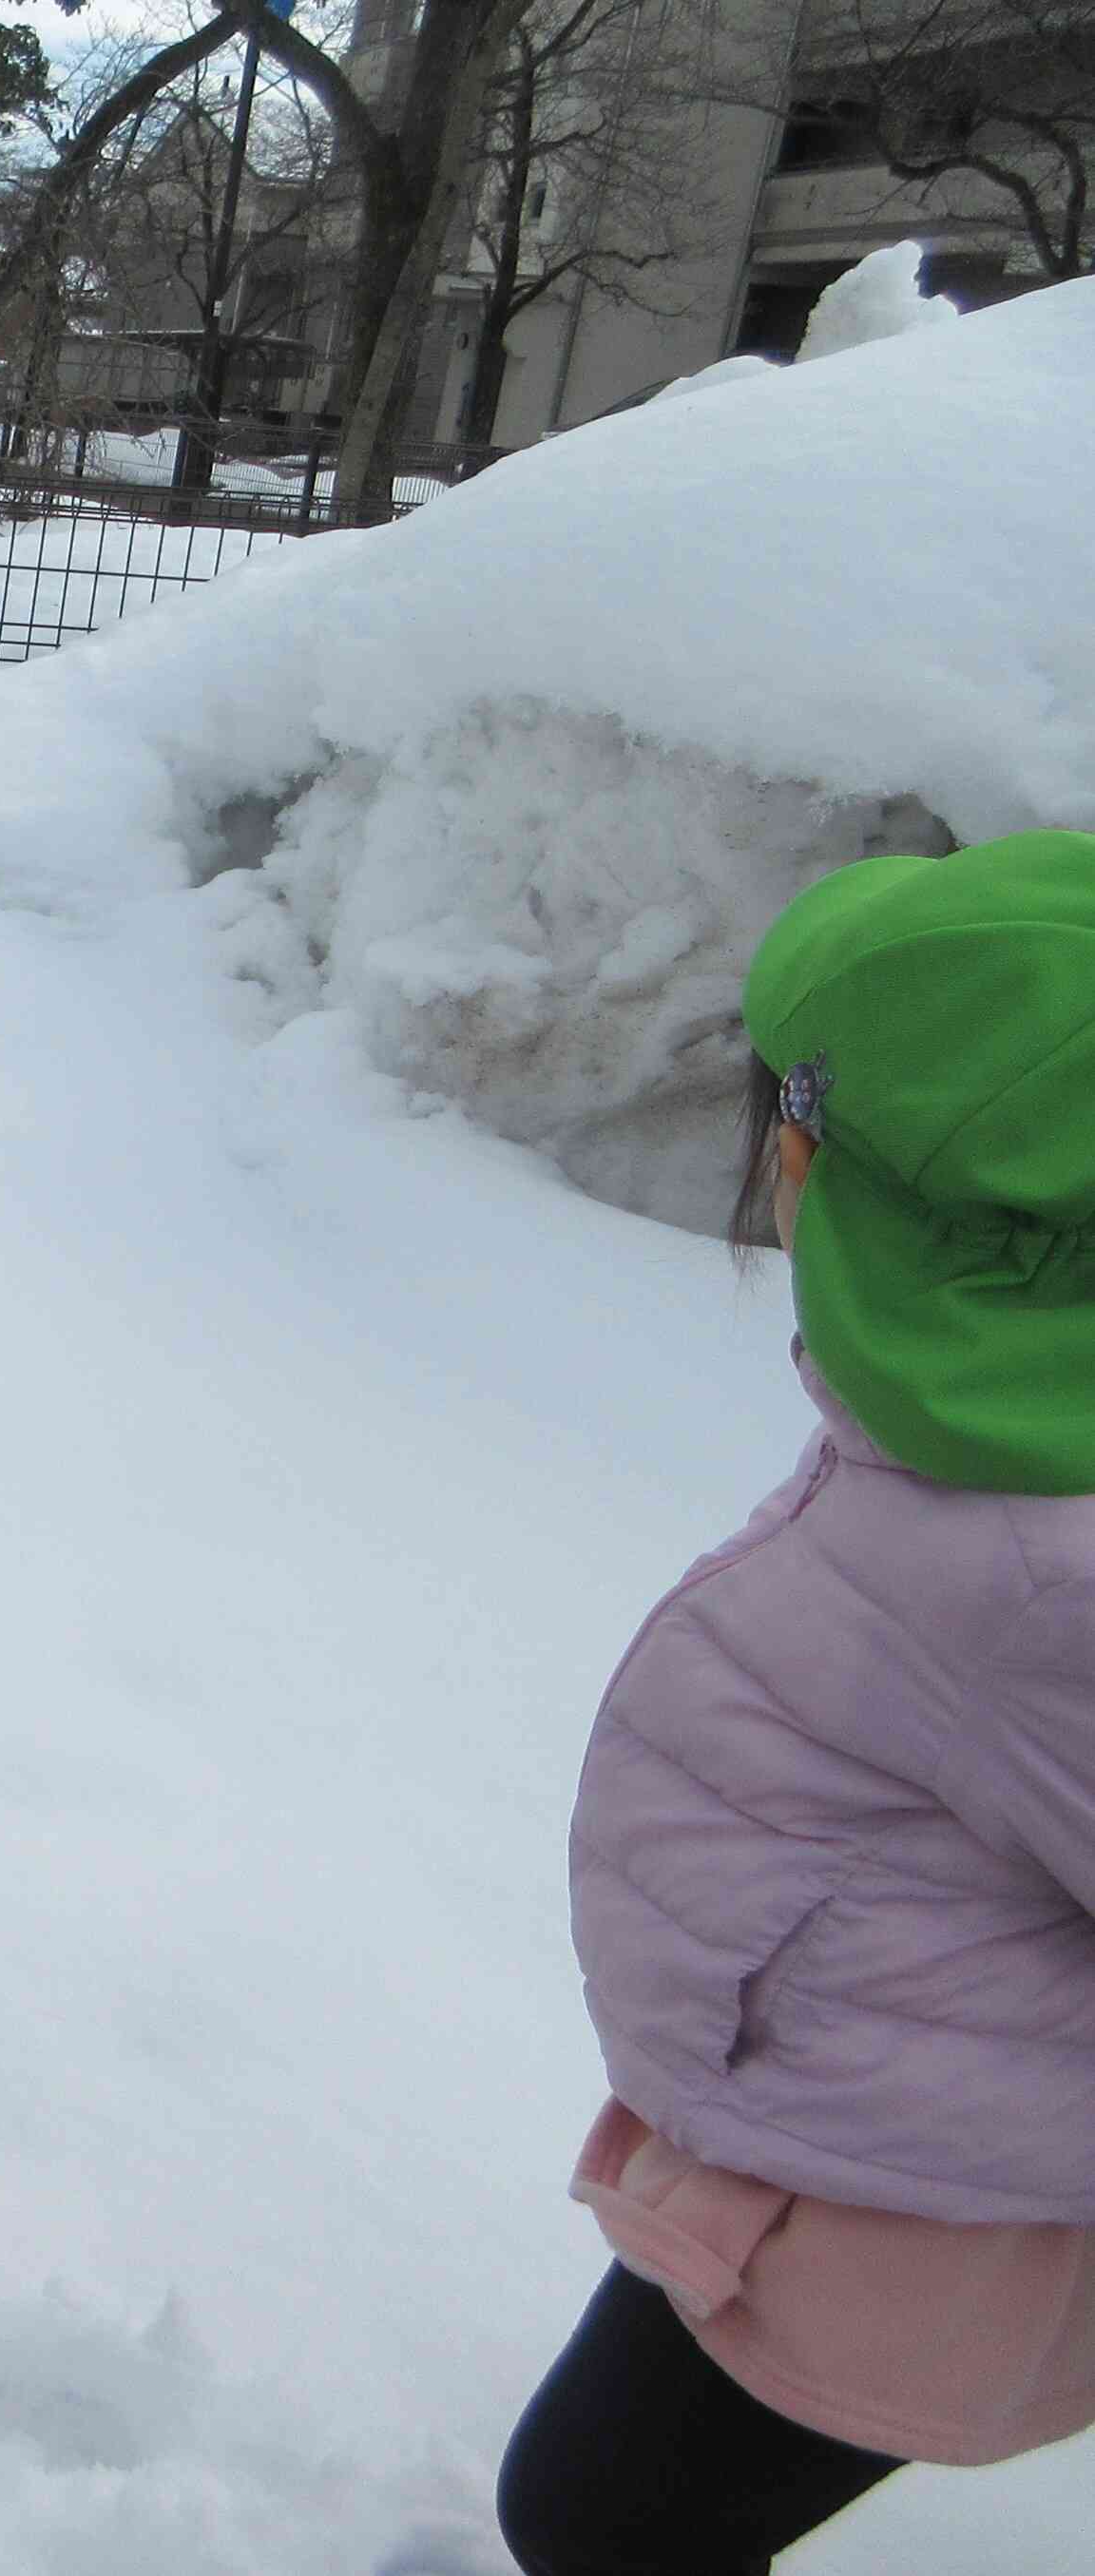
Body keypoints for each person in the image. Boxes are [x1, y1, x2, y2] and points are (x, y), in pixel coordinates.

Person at [499, 828, 1095, 2572]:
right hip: (860, 2112)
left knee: (602, 2521)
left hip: (915, 2197)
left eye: (802, 1132)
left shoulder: (1032, 1562)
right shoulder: (989, 1455)